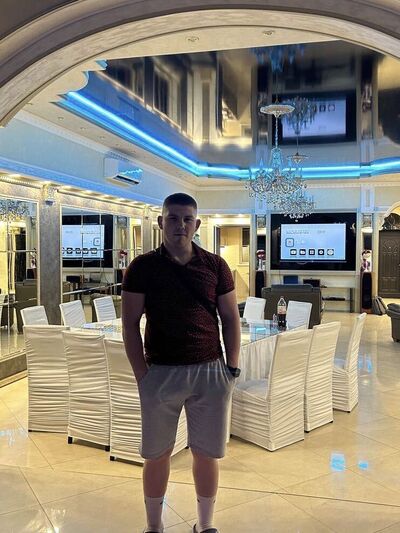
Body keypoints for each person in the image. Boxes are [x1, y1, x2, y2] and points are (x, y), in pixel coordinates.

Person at [122, 192, 241, 533]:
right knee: (156, 454)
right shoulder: (142, 267)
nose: (180, 225)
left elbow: (230, 319)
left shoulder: (215, 266)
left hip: (210, 371)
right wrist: (142, 375)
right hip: (160, 372)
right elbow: (129, 324)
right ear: (161, 222)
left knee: (207, 453)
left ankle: (205, 524)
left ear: (197, 224)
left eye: (187, 219)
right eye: (173, 218)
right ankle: (154, 526)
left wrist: (231, 368)